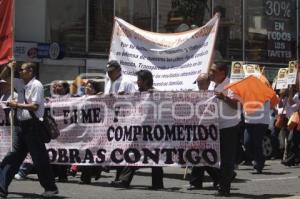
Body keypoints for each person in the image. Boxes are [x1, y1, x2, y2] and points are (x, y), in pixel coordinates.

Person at [0, 62, 58, 198]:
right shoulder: (20, 83)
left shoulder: (36, 85)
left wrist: (17, 104)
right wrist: (9, 68)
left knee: (39, 159)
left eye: (22, 69)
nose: (19, 71)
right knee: (12, 156)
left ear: (30, 71)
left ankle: (50, 188)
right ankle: (2, 187)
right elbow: (2, 78)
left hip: (33, 126)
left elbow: (35, 106)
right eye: (18, 69)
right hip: (20, 125)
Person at [111, 70, 164, 190]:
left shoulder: (155, 93)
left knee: (155, 157)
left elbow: (168, 98)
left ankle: (157, 184)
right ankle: (124, 181)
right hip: (139, 131)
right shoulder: (136, 94)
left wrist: (154, 93)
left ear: (145, 81)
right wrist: (120, 97)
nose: (137, 82)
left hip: (154, 131)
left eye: (139, 80)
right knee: (134, 153)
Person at [209, 62, 241, 196]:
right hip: (214, 126)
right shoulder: (211, 85)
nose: (211, 73)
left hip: (229, 126)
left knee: (227, 159)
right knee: (212, 157)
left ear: (222, 72)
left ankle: (224, 188)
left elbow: (237, 105)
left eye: (213, 71)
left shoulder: (232, 85)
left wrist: (224, 97)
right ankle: (223, 180)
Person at [104, 60, 136, 184]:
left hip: (125, 120)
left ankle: (123, 179)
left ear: (118, 70)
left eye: (111, 72)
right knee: (117, 150)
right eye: (108, 72)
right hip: (112, 120)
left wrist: (125, 96)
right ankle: (118, 177)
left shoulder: (127, 82)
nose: (110, 74)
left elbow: (136, 99)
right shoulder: (108, 83)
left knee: (125, 149)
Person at [188, 73, 221, 190]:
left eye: (201, 83)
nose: (199, 85)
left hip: (208, 129)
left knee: (203, 155)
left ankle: (217, 178)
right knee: (198, 154)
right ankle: (199, 181)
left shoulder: (213, 93)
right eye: (198, 83)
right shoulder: (195, 94)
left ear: (208, 82)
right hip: (197, 127)